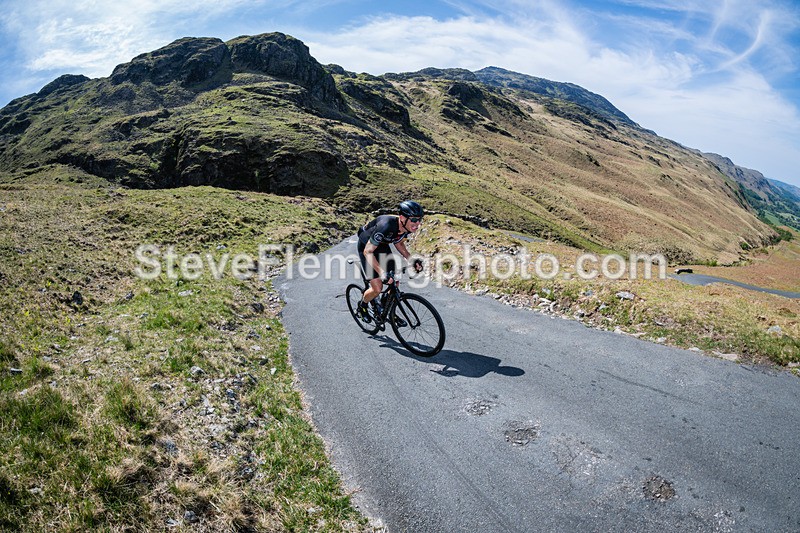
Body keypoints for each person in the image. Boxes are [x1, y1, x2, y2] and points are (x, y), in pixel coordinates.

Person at [357, 200, 425, 320]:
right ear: (402, 218)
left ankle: (386, 308)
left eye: (420, 219)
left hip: (381, 245)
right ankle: (362, 306)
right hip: (366, 247)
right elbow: (368, 252)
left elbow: (399, 243)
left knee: (395, 279)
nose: (417, 223)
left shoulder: (405, 228)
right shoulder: (386, 225)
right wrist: (382, 273)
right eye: (414, 220)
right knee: (377, 288)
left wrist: (411, 260)